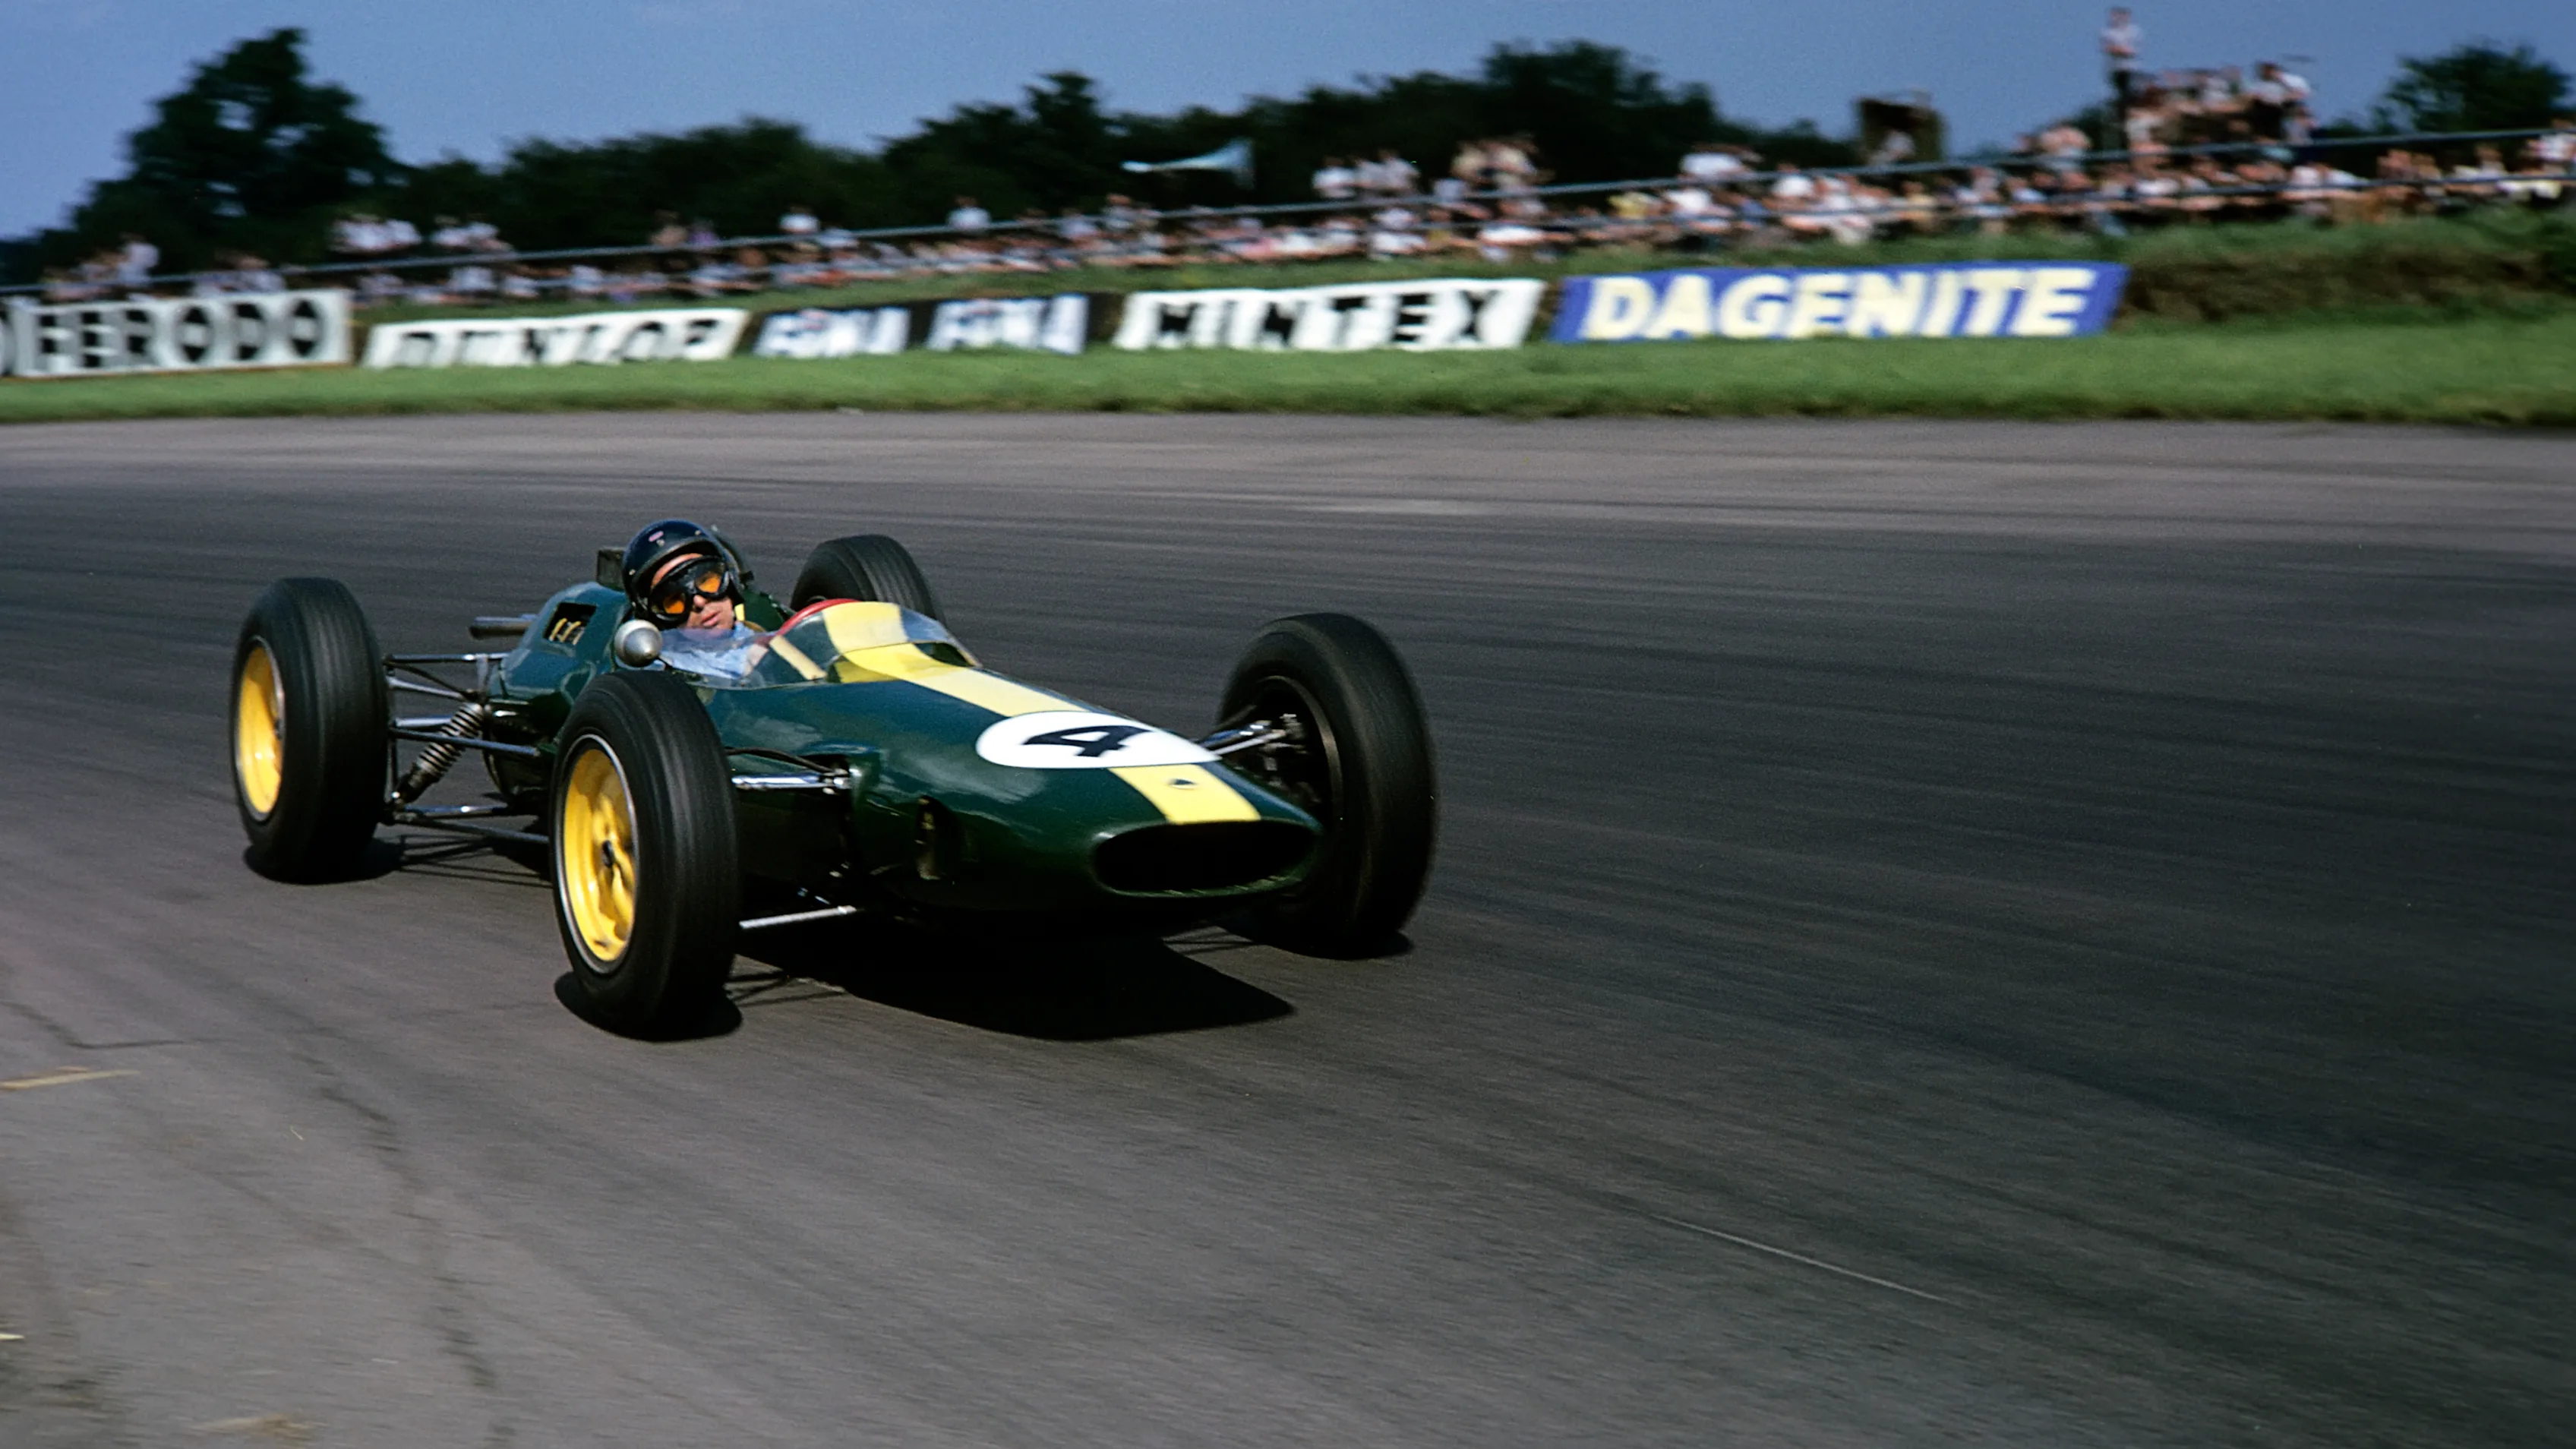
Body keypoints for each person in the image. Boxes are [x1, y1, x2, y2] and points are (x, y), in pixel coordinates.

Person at [2102, 8, 2143, 125]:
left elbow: (2134, 51)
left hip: (2131, 68)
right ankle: (2121, 117)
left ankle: (2131, 114)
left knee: (2133, 92)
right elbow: (2109, 48)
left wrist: (2121, 50)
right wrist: (2122, 50)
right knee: (2121, 93)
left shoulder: (2134, 31)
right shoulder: (2108, 32)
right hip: (2116, 69)